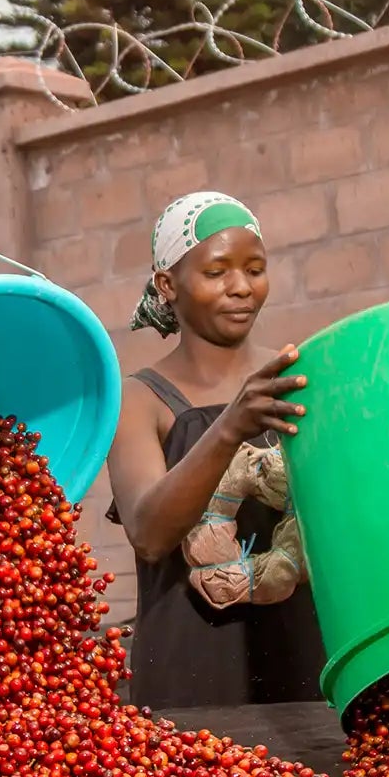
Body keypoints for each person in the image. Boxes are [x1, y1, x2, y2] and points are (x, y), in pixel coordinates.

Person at [103, 192, 322, 707]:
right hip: (192, 666)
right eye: (217, 271)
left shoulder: (298, 374)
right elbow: (149, 534)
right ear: (168, 285)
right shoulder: (139, 400)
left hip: (303, 652)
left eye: (255, 269)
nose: (241, 287)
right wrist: (229, 428)